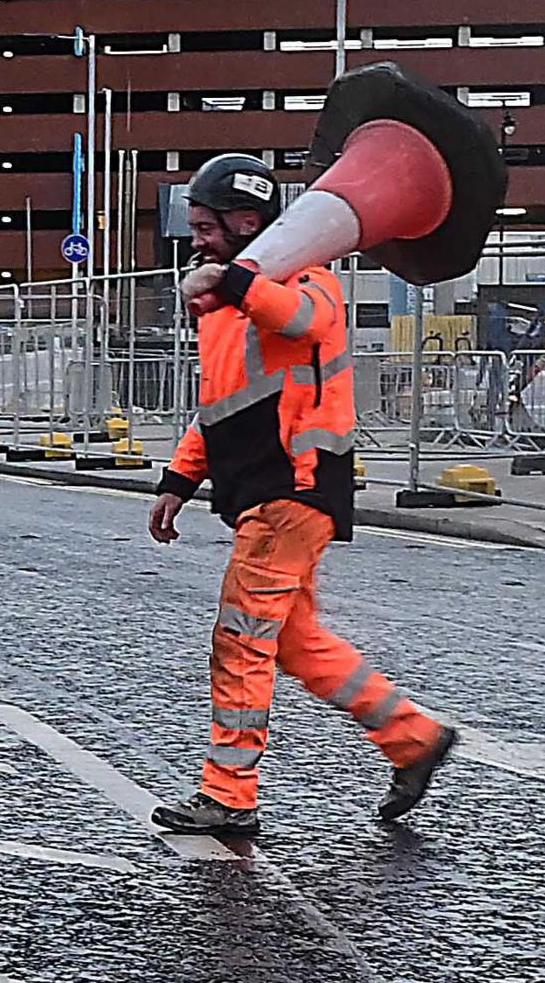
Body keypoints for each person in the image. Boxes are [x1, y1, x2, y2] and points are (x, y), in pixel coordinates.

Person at [142, 152, 457, 840]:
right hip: (266, 491)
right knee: (293, 639)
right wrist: (179, 480)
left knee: (240, 637)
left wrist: (236, 282)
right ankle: (414, 738)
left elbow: (300, 321)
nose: (196, 239)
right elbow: (218, 406)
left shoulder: (308, 281)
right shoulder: (222, 310)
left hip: (295, 486)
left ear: (248, 221)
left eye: (206, 227)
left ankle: (228, 795)